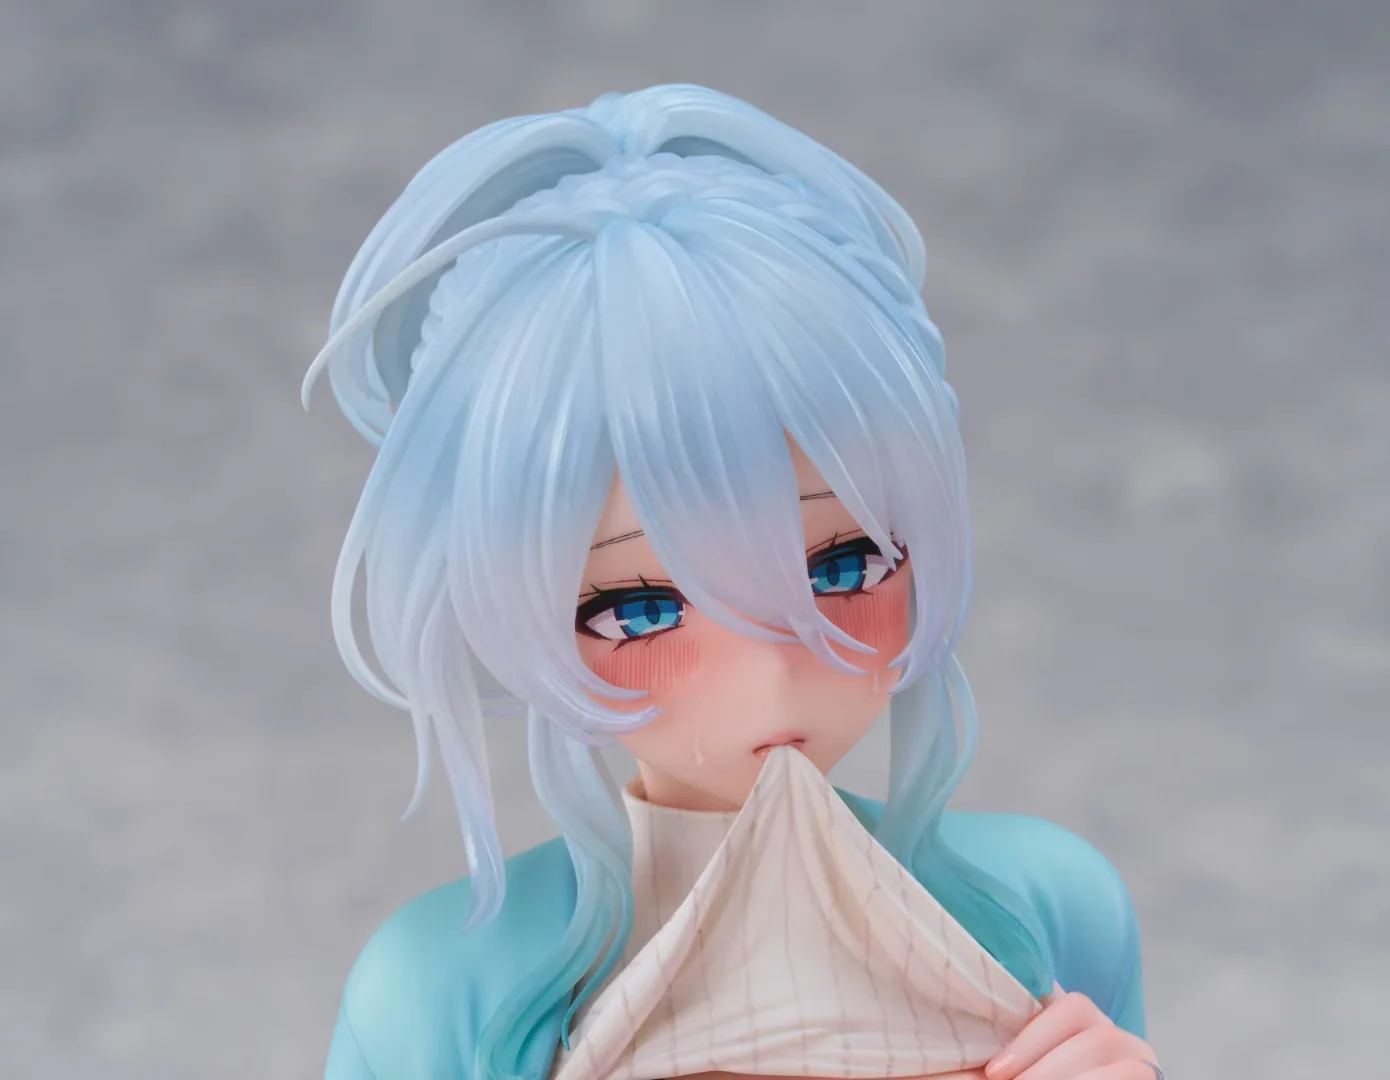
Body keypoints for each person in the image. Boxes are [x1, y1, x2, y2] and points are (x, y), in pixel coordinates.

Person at [303, 84, 1163, 1080]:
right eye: (639, 610)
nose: (769, 673)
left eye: (842, 566)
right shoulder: (439, 984)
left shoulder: (1047, 902)